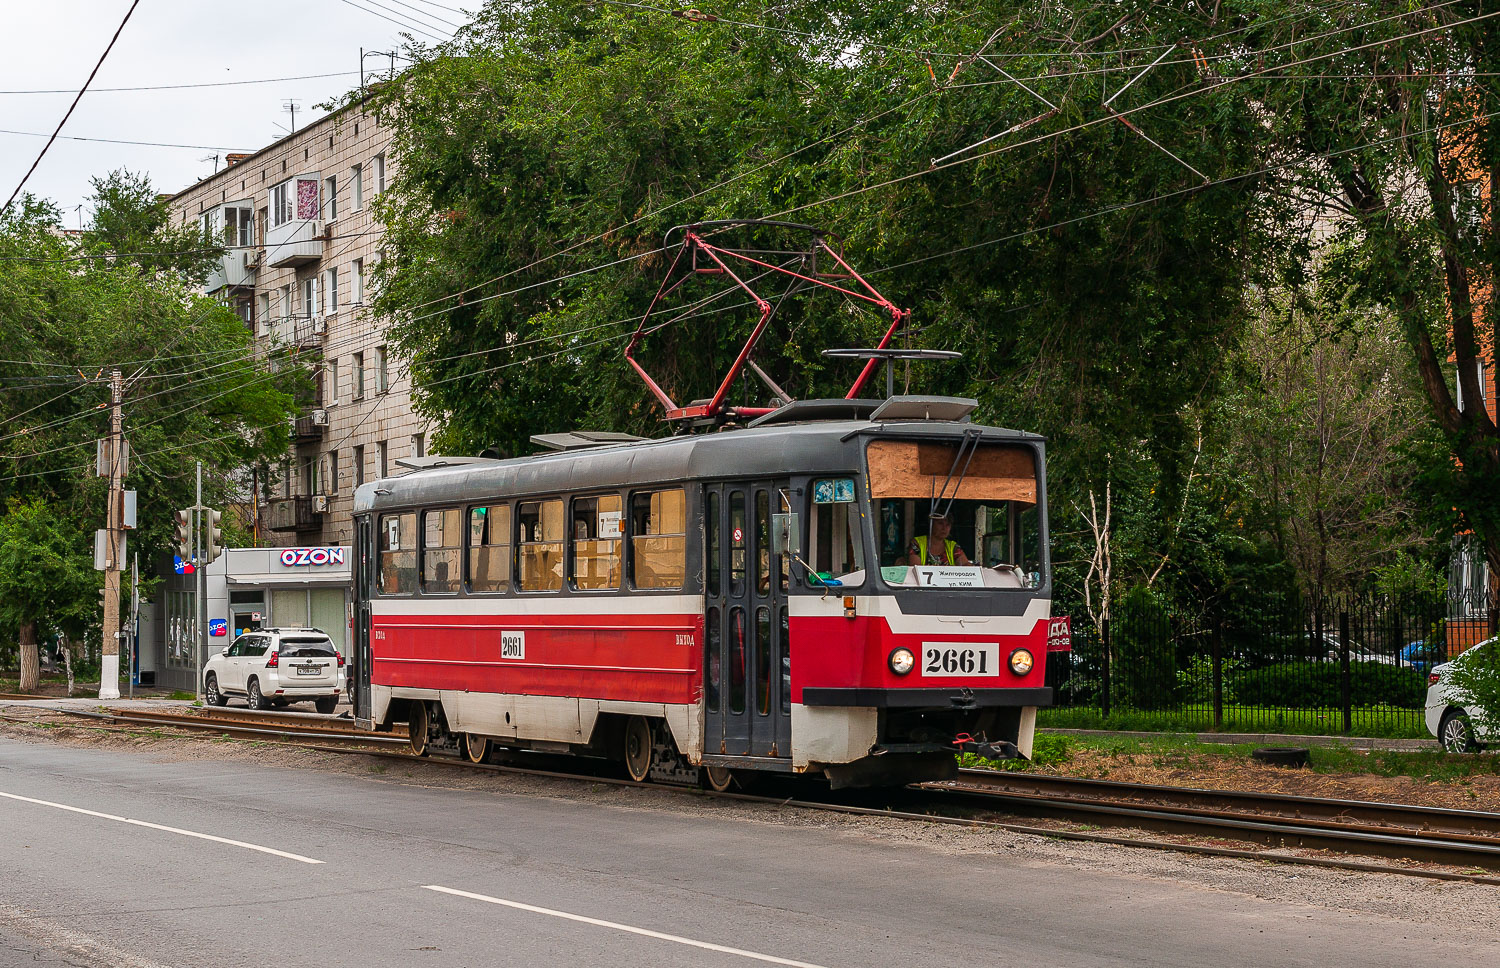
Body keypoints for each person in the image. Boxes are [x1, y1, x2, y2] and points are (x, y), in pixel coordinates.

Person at [907, 511, 971, 566]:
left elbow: (966, 565)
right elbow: (914, 567)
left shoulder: (953, 547)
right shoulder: (917, 543)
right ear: (931, 524)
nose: (944, 528)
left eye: (948, 525)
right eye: (940, 523)